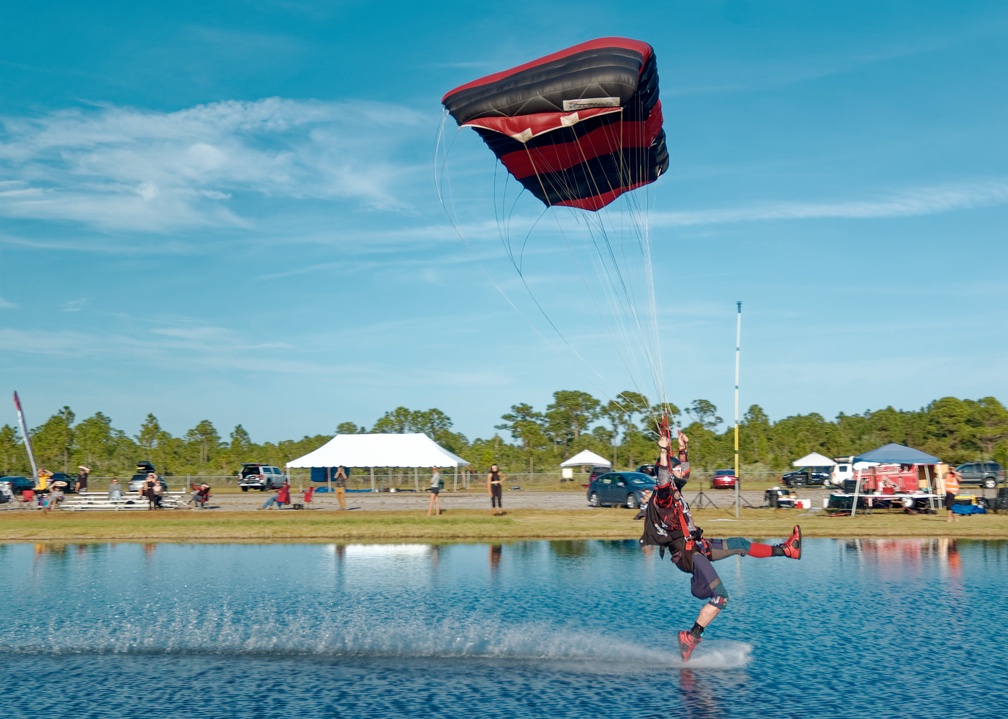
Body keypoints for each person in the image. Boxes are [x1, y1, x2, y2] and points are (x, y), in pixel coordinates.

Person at [640, 430, 802, 663]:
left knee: (739, 544)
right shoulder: (663, 495)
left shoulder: (675, 489)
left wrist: (682, 448)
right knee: (721, 596)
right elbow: (663, 475)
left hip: (696, 546)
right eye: (677, 470)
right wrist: (664, 451)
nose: (682, 472)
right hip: (688, 554)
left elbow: (681, 472)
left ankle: (787, 550)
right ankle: (691, 636)